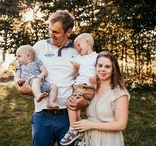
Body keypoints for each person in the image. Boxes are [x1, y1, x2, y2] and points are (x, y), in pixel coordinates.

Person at [14, 10, 89, 146]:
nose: (51, 35)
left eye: (56, 32)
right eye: (50, 30)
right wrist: (35, 90)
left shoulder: (77, 51)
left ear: (69, 31)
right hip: (42, 116)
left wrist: (83, 101)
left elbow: (86, 81)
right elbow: (19, 71)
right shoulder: (39, 47)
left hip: (67, 117)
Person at [72, 51, 130, 146]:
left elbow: (121, 124)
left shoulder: (119, 92)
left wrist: (91, 125)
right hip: (90, 139)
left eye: (107, 67)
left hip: (109, 140)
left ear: (113, 70)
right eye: (100, 65)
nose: (102, 69)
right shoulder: (91, 89)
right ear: (95, 67)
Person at [60, 33, 98, 146]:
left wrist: (97, 79)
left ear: (88, 43)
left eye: (78, 45)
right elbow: (75, 75)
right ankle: (80, 133)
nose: (77, 48)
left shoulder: (97, 57)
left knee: (70, 104)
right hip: (78, 87)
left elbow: (102, 72)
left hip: (87, 87)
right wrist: (76, 71)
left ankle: (73, 129)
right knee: (75, 108)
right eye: (75, 47)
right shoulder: (78, 58)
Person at [14, 45, 59, 109]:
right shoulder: (20, 65)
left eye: (19, 56)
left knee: (54, 86)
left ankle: (51, 102)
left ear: (28, 56)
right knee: (35, 80)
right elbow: (17, 76)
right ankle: (38, 96)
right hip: (28, 82)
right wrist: (18, 80)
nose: (17, 58)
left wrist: (41, 75)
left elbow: (45, 71)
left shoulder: (37, 61)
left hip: (40, 82)